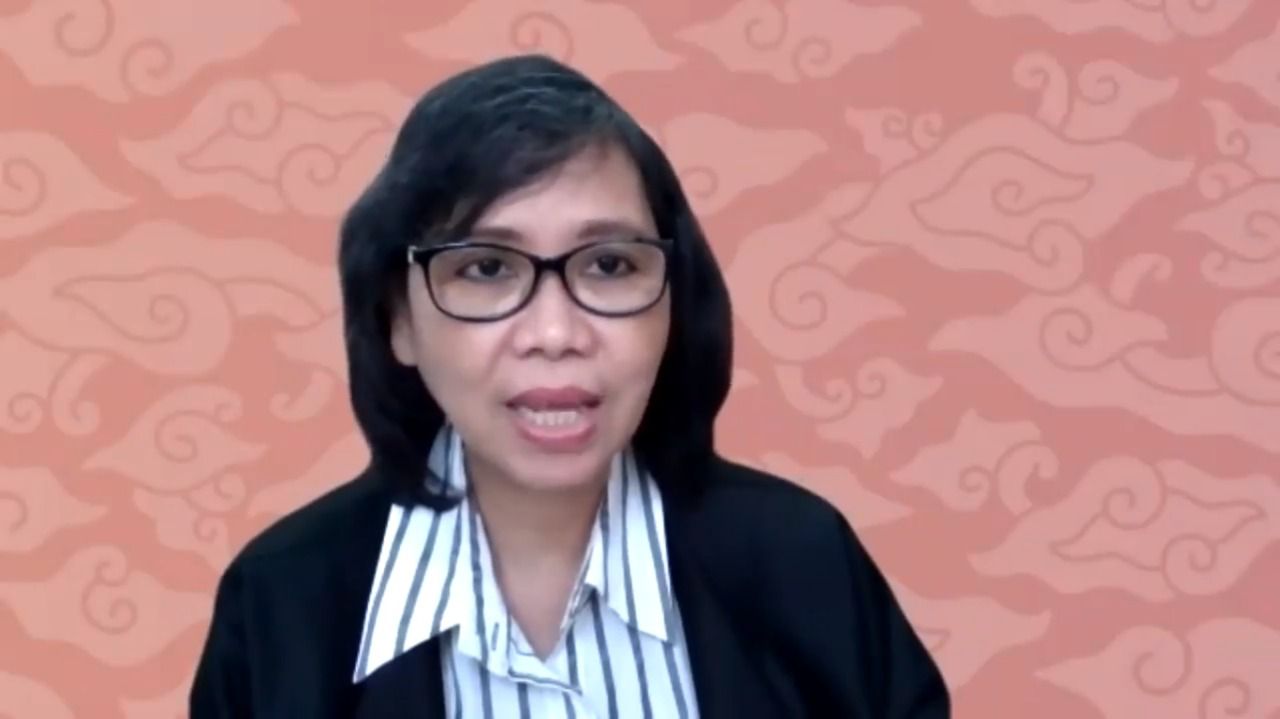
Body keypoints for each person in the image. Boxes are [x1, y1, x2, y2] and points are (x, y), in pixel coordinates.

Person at [188, 53, 950, 719]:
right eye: (486, 267)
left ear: (673, 301)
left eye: (610, 265)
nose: (555, 333)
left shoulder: (804, 563)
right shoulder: (281, 603)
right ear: (400, 319)